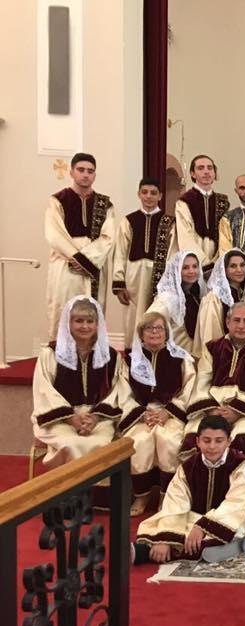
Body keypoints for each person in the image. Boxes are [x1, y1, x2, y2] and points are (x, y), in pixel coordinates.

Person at [32, 298, 124, 504]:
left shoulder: (110, 355)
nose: (85, 326)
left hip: (98, 417)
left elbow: (118, 391)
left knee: (99, 443)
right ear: (68, 323)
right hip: (59, 418)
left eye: (90, 321)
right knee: (70, 443)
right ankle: (68, 500)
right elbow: (44, 391)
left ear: (98, 324)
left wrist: (95, 417)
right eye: (79, 321)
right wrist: (70, 418)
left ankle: (96, 500)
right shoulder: (51, 353)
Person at [133, 414, 245, 564]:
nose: (212, 446)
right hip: (193, 518)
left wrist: (203, 526)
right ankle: (212, 551)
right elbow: (175, 503)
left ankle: (145, 552)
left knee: (230, 534)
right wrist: (166, 538)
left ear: (229, 441)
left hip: (227, 520)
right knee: (156, 526)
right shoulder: (188, 467)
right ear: (197, 441)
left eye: (219, 441)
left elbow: (236, 504)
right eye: (206, 440)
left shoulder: (240, 465)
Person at [184, 301, 245, 471]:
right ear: (227, 323)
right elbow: (201, 382)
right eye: (236, 320)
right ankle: (197, 492)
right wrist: (211, 410)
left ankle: (238, 491)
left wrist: (236, 411)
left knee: (243, 441)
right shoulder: (212, 347)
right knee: (194, 438)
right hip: (212, 406)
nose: (241, 326)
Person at [119, 312, 195, 516]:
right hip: (141, 414)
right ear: (141, 334)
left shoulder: (180, 358)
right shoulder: (130, 359)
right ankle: (141, 495)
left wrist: (168, 412)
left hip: (170, 413)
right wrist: (141, 414)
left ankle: (166, 495)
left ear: (167, 333)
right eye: (148, 329)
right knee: (139, 441)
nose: (154, 332)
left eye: (159, 328)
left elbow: (190, 390)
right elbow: (123, 392)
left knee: (168, 440)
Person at [45, 153, 117, 338]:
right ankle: (61, 357)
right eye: (81, 170)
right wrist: (77, 258)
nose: (86, 175)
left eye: (90, 171)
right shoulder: (58, 200)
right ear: (72, 172)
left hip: (94, 266)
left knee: (92, 310)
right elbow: (55, 234)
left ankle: (92, 360)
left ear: (95, 175)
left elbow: (108, 236)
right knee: (65, 308)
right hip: (66, 265)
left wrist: (88, 260)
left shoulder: (105, 204)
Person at [112, 178, 177, 348]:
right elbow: (120, 252)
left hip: (158, 276)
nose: (148, 197)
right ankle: (132, 355)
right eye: (145, 192)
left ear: (160, 196)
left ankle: (155, 354)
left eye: (153, 193)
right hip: (133, 276)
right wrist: (119, 283)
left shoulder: (169, 222)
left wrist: (168, 283)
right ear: (139, 194)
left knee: (156, 315)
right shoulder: (129, 221)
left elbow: (173, 252)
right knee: (133, 319)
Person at [147, 250, 208, 358]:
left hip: (195, 356)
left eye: (194, 266)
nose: (191, 271)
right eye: (185, 268)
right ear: (176, 270)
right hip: (175, 357)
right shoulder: (168, 298)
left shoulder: (197, 295)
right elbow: (148, 322)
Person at [174, 154, 229, 269]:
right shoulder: (184, 201)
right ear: (192, 174)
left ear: (214, 173)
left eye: (210, 168)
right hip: (193, 265)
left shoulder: (222, 202)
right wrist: (203, 263)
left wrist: (218, 261)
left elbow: (226, 234)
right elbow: (185, 235)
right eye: (200, 168)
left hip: (218, 265)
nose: (206, 172)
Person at [196, 249, 245, 347]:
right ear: (224, 270)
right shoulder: (214, 298)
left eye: (242, 265)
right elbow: (211, 335)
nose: (239, 270)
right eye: (233, 266)